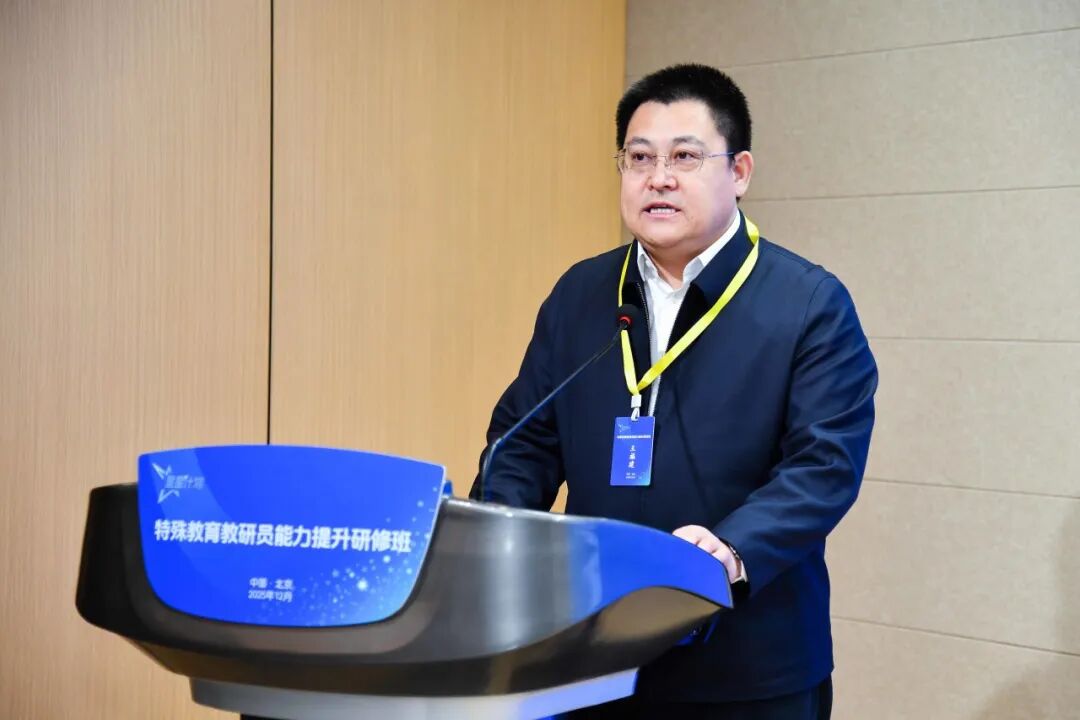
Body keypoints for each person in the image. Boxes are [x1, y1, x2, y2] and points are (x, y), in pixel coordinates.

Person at [471, 63, 877, 719]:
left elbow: (823, 466)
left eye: (684, 157)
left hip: (747, 666)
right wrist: (494, 543)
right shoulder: (581, 293)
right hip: (590, 654)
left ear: (739, 172)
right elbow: (525, 439)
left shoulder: (808, 304)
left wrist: (731, 550)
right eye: (639, 158)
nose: (658, 178)